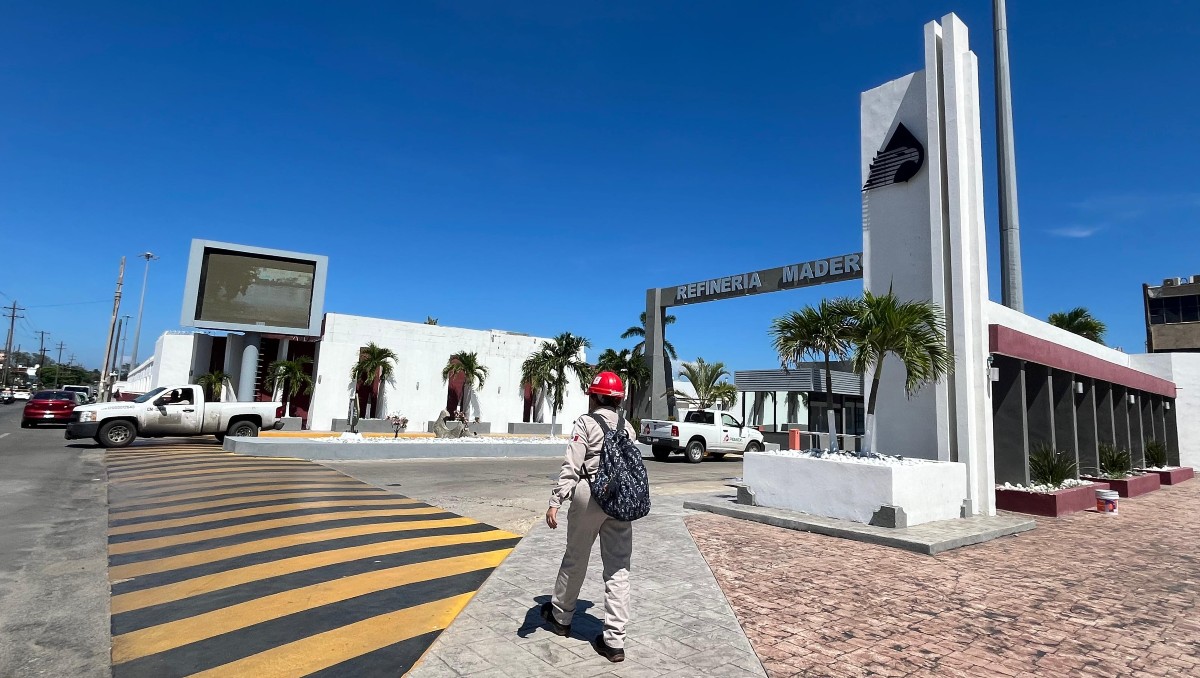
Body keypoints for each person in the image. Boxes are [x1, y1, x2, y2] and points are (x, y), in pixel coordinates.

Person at [541, 371, 638, 663]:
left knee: (576, 557)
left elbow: (572, 464)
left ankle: (561, 617)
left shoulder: (585, 422)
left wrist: (555, 501)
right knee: (619, 569)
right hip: (620, 499)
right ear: (619, 400)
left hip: (590, 494)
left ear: (593, 396)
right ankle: (614, 642)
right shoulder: (628, 428)